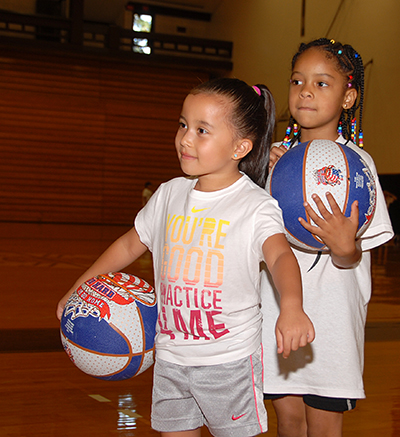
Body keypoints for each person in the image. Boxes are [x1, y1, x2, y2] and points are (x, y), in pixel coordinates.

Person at [56, 78, 315, 437]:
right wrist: (79, 286)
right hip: (170, 358)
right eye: (182, 125)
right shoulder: (167, 195)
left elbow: (281, 257)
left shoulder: (254, 205)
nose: (185, 138)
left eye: (202, 130)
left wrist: (292, 305)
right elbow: (130, 244)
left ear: (240, 146)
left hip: (229, 363)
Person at [260, 38, 394, 437]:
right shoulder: (269, 160)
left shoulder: (358, 164)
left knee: (323, 423)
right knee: (288, 419)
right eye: (297, 80)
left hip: (332, 316)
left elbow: (356, 255)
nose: (305, 90)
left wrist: (345, 248)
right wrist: (256, 172)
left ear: (348, 96)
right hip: (277, 312)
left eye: (322, 83)